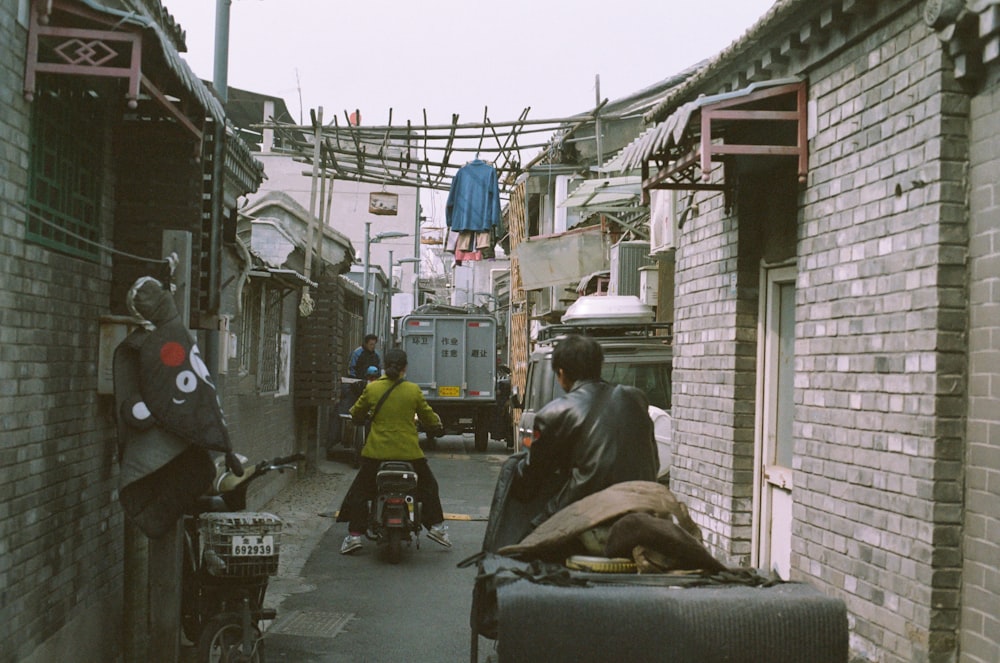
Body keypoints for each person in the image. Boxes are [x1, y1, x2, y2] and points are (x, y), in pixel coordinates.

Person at [511, 333, 659, 529]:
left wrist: (517, 484)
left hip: (585, 512)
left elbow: (534, 475)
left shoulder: (554, 412)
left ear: (561, 374)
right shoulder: (636, 398)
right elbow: (654, 460)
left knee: (522, 546)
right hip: (644, 504)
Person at [338, 348, 452, 554]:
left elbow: (357, 412)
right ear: (405, 368)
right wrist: (436, 426)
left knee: (360, 491)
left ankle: (354, 536)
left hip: (376, 453)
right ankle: (437, 528)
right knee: (428, 486)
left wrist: (358, 417)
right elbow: (428, 416)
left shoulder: (372, 389)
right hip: (409, 453)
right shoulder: (413, 390)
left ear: (384, 367)